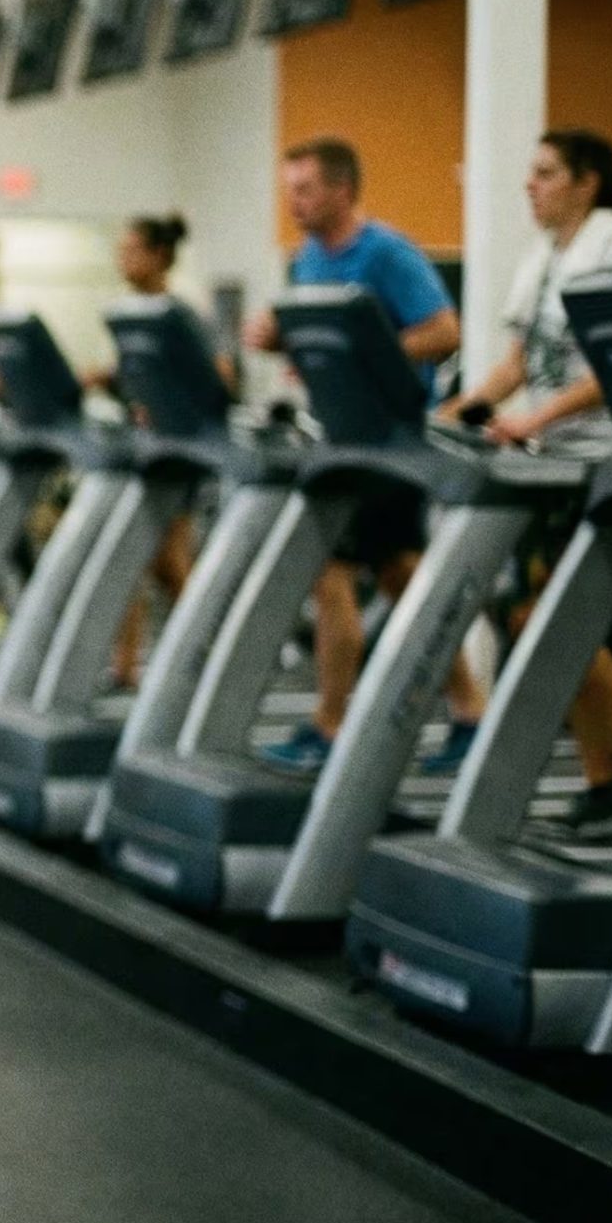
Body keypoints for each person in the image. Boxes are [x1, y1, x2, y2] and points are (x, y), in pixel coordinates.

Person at [440, 128, 612, 837]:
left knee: (551, 618)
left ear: (587, 180)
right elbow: (514, 363)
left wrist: (535, 414)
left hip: (605, 461)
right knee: (538, 617)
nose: (529, 185)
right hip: (546, 462)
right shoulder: (540, 258)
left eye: (544, 173)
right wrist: (465, 407)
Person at [247, 138, 485, 776]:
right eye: (289, 188)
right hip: (342, 433)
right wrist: (279, 338)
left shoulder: (386, 253)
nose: (293, 201)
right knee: (402, 577)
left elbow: (443, 332)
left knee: (331, 575)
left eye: (305, 189)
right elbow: (321, 344)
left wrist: (370, 358)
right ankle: (470, 714)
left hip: (390, 438)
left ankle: (331, 726)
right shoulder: (306, 260)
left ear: (342, 190)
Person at [98, 215, 219, 688]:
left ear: (157, 256)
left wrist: (167, 405)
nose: (121, 258)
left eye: (131, 250)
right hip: (143, 447)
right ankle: (124, 667)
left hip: (179, 451)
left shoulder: (180, 312)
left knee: (168, 564)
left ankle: (202, 659)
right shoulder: (132, 312)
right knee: (132, 556)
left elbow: (217, 377)